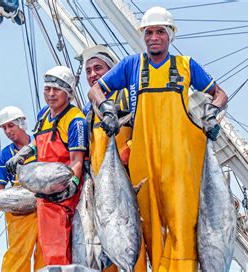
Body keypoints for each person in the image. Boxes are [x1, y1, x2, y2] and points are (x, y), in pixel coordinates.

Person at [87, 6, 228, 272]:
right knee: (147, 224)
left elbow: (220, 95)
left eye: (160, 32)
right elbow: (95, 90)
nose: (154, 37)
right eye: (149, 32)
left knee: (183, 225)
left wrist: (212, 113)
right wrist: (105, 107)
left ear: (170, 35)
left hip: (180, 165)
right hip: (144, 162)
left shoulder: (186, 66)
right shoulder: (131, 65)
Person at [6, 66, 88, 266]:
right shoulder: (44, 114)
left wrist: (72, 185)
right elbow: (38, 140)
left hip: (63, 195)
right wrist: (23, 154)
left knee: (60, 249)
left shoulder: (75, 121)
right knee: (48, 249)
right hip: (44, 192)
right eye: (47, 89)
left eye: (57, 90)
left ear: (68, 92)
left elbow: (77, 159)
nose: (51, 94)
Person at [82, 45, 147, 272]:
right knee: (105, 250)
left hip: (127, 183)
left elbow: (144, 130)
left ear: (112, 69)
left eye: (98, 68)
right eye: (88, 70)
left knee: (131, 240)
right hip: (102, 189)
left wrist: (129, 149)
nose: (92, 74)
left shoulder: (128, 95)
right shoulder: (88, 110)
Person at [0, 106, 44, 271]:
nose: (7, 131)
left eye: (11, 125)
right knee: (17, 256)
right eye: (4, 128)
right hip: (20, 213)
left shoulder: (41, 143)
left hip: (46, 206)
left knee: (45, 254)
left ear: (21, 123)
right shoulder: (4, 155)